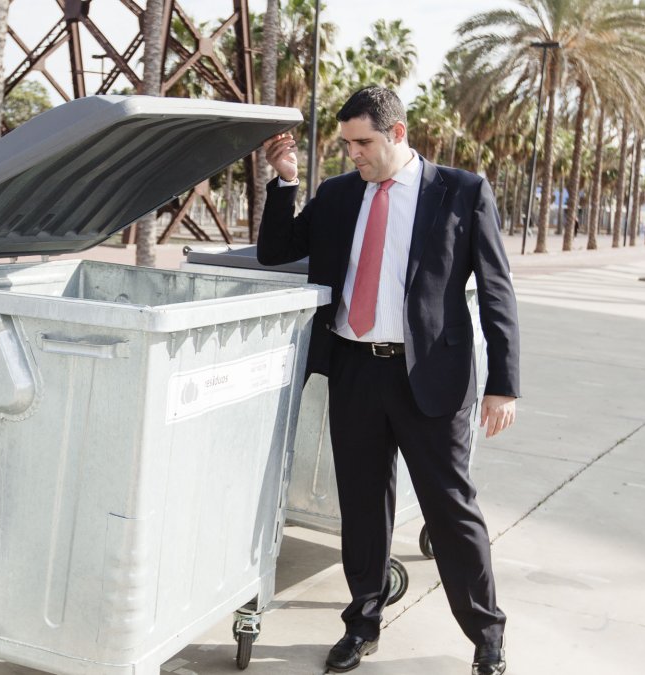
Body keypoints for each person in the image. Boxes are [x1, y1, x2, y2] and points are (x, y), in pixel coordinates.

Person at [256, 86, 519, 675]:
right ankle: (363, 622)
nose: (353, 153)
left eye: (363, 143)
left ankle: (486, 634)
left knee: (452, 509)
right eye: (347, 143)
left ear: (397, 133)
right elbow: (275, 252)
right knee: (363, 506)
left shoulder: (462, 192)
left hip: (430, 376)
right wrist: (286, 180)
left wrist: (504, 383)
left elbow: (497, 292)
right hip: (353, 368)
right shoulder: (339, 193)